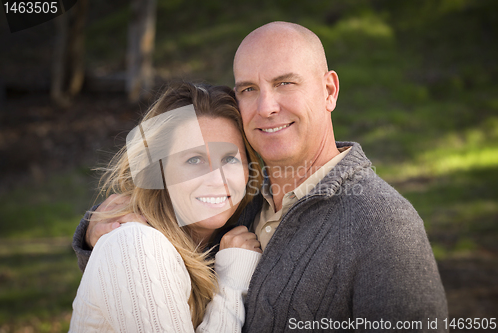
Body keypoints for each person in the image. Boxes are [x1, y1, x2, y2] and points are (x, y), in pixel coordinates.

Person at [73, 22, 448, 332]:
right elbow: (148, 266)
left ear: (329, 90)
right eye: (249, 89)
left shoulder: (382, 224)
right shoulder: (240, 205)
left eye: (286, 83)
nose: (267, 107)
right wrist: (101, 226)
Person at [69, 82, 264, 332]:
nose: (218, 179)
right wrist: (232, 286)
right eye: (194, 160)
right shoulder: (136, 246)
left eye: (229, 159)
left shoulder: (227, 233)